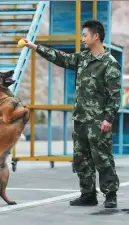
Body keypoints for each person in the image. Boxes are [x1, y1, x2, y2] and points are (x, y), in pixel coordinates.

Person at [24, 20, 121, 208]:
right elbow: (60, 58)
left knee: (102, 158)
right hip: (80, 120)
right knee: (81, 158)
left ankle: (110, 195)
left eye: (85, 35)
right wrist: (35, 47)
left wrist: (108, 118)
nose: (82, 38)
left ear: (96, 36)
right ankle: (88, 195)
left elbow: (114, 95)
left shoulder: (109, 64)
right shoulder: (83, 58)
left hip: (98, 121)